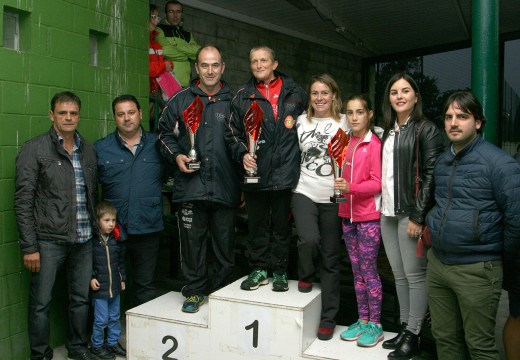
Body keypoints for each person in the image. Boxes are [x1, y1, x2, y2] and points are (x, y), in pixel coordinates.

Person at [425, 91, 520, 360]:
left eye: (462, 116)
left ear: (477, 122)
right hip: (439, 265)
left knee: (479, 345)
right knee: (444, 339)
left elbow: (516, 221)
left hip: (477, 270)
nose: (454, 122)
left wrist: (500, 264)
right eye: (449, 117)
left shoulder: (500, 164)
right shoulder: (443, 161)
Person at [14, 91, 98, 360]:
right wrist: (30, 246)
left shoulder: (88, 149)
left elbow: (93, 195)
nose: (68, 117)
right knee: (41, 303)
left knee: (81, 298)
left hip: (84, 239)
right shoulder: (34, 149)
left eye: (73, 113)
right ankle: (40, 354)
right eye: (62, 113)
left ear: (79, 115)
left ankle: (76, 346)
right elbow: (23, 201)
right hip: (48, 241)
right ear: (52, 115)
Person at [158, 45, 240, 313]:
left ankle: (221, 294)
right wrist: (178, 157)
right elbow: (162, 134)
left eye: (215, 65)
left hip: (225, 188)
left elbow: (244, 143)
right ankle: (194, 292)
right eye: (204, 65)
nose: (210, 70)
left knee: (225, 247)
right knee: (192, 245)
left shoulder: (235, 101)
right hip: (191, 188)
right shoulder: (180, 100)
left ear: (222, 68)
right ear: (196, 68)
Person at [226, 45, 307, 292]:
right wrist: (242, 154)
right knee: (257, 226)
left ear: (275, 64)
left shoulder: (296, 93)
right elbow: (231, 133)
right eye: (254, 61)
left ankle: (280, 271)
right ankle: (259, 269)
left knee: (282, 226)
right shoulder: (242, 96)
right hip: (255, 175)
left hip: (285, 174)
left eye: (263, 60)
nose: (258, 65)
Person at [379, 73, 443, 359]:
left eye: (406, 91)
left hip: (410, 214)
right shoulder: (388, 131)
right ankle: (404, 327)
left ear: (416, 96)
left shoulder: (426, 129)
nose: (400, 96)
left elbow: (431, 175)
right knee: (399, 275)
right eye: (394, 92)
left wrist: (418, 216)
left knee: (415, 276)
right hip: (387, 213)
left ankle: (414, 333)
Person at [290, 74, 348, 340]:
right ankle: (305, 273)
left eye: (325, 93)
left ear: (334, 95)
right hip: (304, 190)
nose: (320, 98)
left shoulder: (346, 122)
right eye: (315, 93)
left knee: (331, 257)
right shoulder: (301, 121)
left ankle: (329, 317)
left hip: (334, 198)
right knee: (309, 239)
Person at [95, 95, 165, 306]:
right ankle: (109, 335)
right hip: (113, 231)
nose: (127, 118)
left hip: (147, 227)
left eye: (131, 112)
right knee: (109, 284)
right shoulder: (101, 148)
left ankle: (142, 334)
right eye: (121, 114)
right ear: (114, 118)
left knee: (145, 285)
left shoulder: (159, 145)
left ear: (141, 114)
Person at [335, 94, 383, 347]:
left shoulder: (374, 144)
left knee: (369, 271)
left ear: (369, 114)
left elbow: (378, 183)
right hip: (348, 216)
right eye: (350, 112)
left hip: (368, 219)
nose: (354, 117)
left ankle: (376, 324)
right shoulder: (345, 142)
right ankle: (362, 320)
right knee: (355, 272)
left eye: (359, 112)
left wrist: (350, 187)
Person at [90, 201, 126, 359]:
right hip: (100, 290)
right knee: (101, 320)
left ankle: (112, 343)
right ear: (98, 220)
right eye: (106, 220)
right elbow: (87, 263)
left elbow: (121, 262)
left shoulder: (115, 240)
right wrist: (91, 278)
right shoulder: (92, 241)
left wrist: (122, 278)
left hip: (115, 288)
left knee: (114, 317)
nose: (111, 224)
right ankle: (96, 345)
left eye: (113, 220)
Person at [155, 0, 200, 87]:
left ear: (182, 14)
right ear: (165, 14)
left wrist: (178, 47)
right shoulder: (159, 30)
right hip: (166, 83)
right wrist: (186, 56)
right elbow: (165, 50)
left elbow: (198, 52)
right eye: (171, 12)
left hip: (185, 84)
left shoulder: (187, 34)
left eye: (178, 12)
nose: (175, 15)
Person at [149, 4, 174, 128]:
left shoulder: (156, 45)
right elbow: (148, 69)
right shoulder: (142, 42)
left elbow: (163, 64)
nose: (156, 21)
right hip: (148, 94)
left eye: (156, 17)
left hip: (157, 93)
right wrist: (164, 65)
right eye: (153, 17)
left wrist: (168, 64)